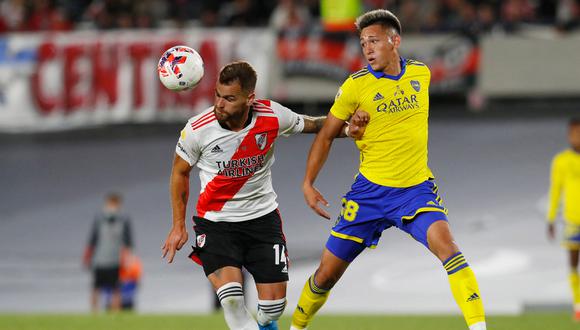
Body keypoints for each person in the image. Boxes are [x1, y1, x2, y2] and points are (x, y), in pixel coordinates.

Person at [289, 9, 486, 330]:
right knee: (326, 274)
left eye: (374, 41)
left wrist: (366, 125)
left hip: (415, 190)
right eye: (363, 42)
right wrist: (308, 182)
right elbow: (326, 134)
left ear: (395, 41)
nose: (366, 49)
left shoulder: (421, 74)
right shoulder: (355, 87)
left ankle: (479, 327)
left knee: (450, 250)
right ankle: (296, 326)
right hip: (369, 194)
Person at [161, 61, 355, 330]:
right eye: (218, 95)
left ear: (249, 98)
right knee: (230, 300)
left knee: (273, 309)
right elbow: (179, 173)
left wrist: (348, 129)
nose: (220, 104)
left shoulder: (272, 115)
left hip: (262, 221)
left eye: (229, 98)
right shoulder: (197, 129)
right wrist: (178, 225)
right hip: (216, 223)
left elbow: (313, 124)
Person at [547, 118, 580, 321]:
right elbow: (555, 190)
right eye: (572, 133)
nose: (574, 137)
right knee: (572, 265)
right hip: (572, 222)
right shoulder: (561, 161)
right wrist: (550, 219)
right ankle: (578, 305)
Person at [83, 192, 133, 312]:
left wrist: (127, 259)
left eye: (116, 204)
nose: (113, 207)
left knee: (116, 288)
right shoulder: (99, 220)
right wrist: (87, 256)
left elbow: (128, 243)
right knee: (96, 288)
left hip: (115, 260)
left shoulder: (123, 221)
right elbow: (92, 240)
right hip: (100, 260)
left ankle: (115, 314)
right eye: (111, 203)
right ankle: (94, 313)